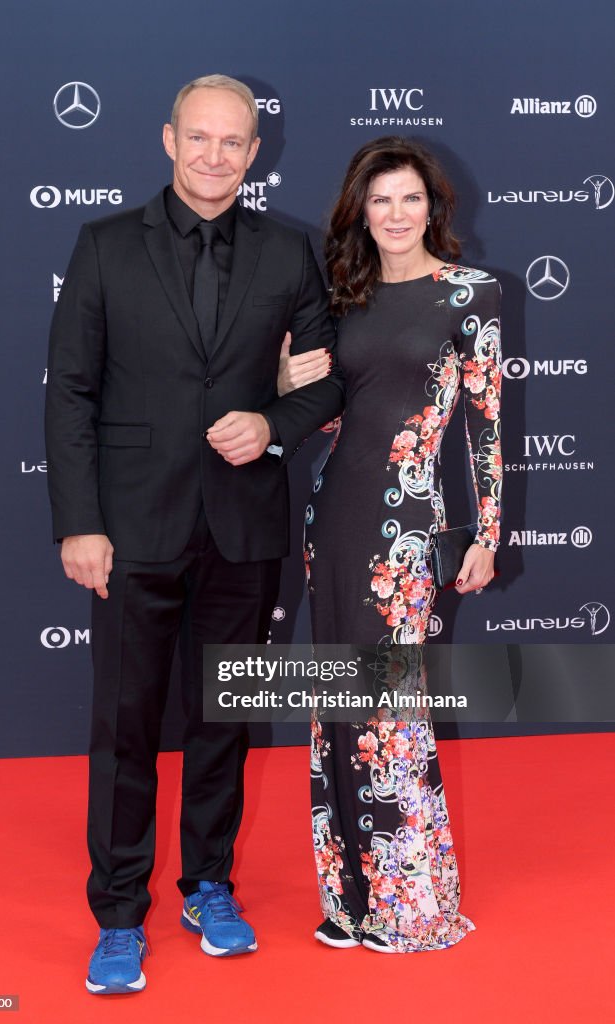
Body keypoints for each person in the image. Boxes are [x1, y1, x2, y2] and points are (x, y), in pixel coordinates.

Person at [45, 74, 343, 994]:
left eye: (234, 142)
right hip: (132, 526)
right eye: (199, 138)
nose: (215, 156)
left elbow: (329, 380)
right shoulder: (102, 247)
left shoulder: (289, 252)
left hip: (243, 528)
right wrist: (80, 525)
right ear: (168, 140)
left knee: (223, 719)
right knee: (126, 727)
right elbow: (70, 395)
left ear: (255, 154)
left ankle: (208, 883)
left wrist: (276, 424)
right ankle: (119, 913)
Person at [279, 136, 501, 951]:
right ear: (360, 212)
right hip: (333, 515)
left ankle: (411, 904)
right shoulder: (345, 298)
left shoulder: (471, 294)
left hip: (405, 529)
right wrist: (283, 383)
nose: (396, 214)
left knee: (389, 708)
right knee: (337, 703)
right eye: (381, 200)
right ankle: (348, 899)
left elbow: (484, 425)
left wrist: (484, 532)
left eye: (410, 199)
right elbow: (336, 415)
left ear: (432, 208)